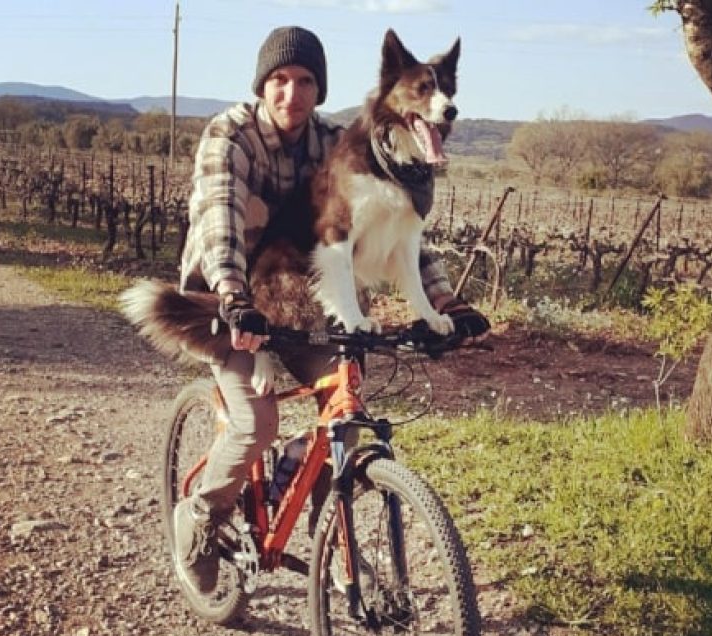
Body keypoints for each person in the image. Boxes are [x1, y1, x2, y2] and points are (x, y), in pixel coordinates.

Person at [175, 25, 490, 593]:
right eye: (279, 80)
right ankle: (200, 517)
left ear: (319, 89)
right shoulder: (231, 135)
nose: (291, 93)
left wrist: (444, 299)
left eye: (305, 81)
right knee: (256, 423)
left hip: (305, 298)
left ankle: (334, 542)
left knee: (343, 410)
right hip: (232, 296)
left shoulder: (336, 141)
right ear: (261, 85)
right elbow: (220, 219)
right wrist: (233, 296)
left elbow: (400, 226)